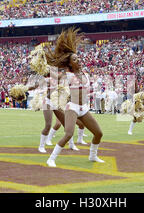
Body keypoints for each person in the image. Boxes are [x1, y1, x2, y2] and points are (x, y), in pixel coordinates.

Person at [45, 27, 104, 167]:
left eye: (78, 58)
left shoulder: (85, 74)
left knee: (99, 133)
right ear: (70, 63)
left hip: (84, 108)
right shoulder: (67, 75)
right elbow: (54, 76)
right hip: (73, 108)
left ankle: (93, 156)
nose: (79, 60)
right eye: (75, 59)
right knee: (68, 134)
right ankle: (51, 158)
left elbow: (84, 91)